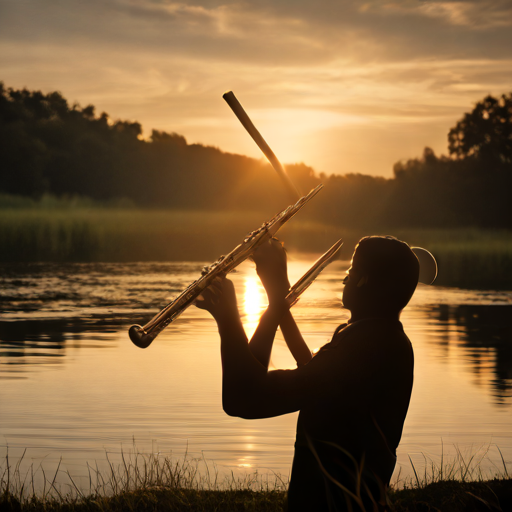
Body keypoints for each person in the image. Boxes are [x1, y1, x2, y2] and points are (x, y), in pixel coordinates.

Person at [196, 236, 418, 511]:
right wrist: (277, 303)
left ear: (365, 281)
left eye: (352, 271)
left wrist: (228, 315)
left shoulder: (364, 347)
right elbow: (311, 370)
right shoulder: (382, 337)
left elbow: (245, 398)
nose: (345, 279)